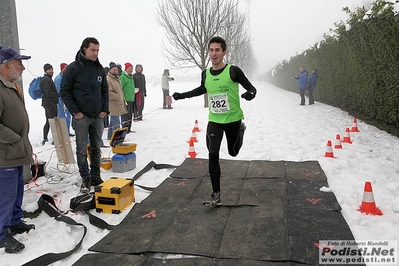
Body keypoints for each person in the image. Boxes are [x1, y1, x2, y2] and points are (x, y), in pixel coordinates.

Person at [172, 36, 256, 206]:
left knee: (233, 152)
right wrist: (182, 96)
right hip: (215, 120)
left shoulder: (233, 70)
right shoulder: (206, 74)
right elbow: (202, 89)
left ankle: (241, 131)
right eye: (211, 50)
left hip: (233, 120)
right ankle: (215, 194)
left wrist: (250, 94)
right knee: (212, 154)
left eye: (217, 50)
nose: (213, 53)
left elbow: (251, 88)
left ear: (224, 52)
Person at [60, 37, 109, 192]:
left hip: (97, 116)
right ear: (84, 49)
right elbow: (64, 92)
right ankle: (85, 177)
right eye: (93, 50)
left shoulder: (99, 68)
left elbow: (105, 91)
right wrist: (75, 111)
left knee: (96, 148)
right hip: (81, 117)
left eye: (97, 50)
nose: (96, 53)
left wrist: (104, 110)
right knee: (81, 149)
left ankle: (96, 175)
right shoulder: (73, 69)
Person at [0, 48, 35, 253]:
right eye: (19, 63)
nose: (23, 67)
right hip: (5, 154)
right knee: (5, 195)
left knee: (16, 191)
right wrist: (15, 139)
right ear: (6, 66)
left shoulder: (10, 86)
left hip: (16, 152)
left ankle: (14, 222)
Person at [106, 62, 127, 140]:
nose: (115, 71)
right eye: (114, 70)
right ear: (110, 70)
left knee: (112, 122)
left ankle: (110, 136)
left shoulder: (116, 78)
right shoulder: (108, 79)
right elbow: (108, 92)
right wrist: (118, 96)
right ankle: (117, 139)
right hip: (113, 104)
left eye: (116, 70)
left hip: (118, 103)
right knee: (116, 124)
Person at [54, 63, 74, 136]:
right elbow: (59, 92)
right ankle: (62, 132)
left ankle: (67, 132)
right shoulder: (58, 79)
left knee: (68, 116)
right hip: (61, 101)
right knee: (62, 116)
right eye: (65, 68)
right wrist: (62, 102)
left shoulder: (67, 77)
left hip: (68, 99)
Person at [41, 63, 59, 145]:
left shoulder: (47, 79)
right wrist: (58, 95)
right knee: (53, 121)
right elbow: (48, 93)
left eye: (52, 69)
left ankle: (45, 138)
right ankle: (55, 139)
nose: (51, 71)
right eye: (49, 69)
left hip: (47, 103)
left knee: (49, 121)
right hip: (50, 103)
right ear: (45, 71)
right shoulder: (46, 80)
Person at [120, 62, 135, 132]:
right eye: (129, 68)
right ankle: (125, 129)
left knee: (130, 115)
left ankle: (129, 128)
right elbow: (120, 88)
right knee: (125, 116)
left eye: (131, 68)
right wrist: (123, 98)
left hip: (131, 99)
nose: (131, 70)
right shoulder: (123, 77)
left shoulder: (131, 77)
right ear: (125, 69)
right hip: (126, 99)